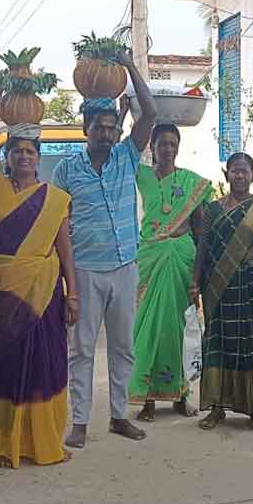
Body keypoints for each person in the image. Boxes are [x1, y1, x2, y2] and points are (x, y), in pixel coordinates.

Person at [0, 88, 80, 468]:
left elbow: (65, 252)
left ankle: (44, 442)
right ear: (7, 158)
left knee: (47, 363)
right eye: (17, 152)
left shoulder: (56, 199)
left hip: (45, 292)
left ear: (38, 159)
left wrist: (73, 294)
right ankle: (2, 442)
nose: (24, 157)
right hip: (5, 296)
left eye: (30, 152)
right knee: (7, 367)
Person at [52, 54, 157, 450]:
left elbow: (151, 112)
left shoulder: (126, 157)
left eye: (113, 127)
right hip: (86, 270)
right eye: (100, 127)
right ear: (86, 128)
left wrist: (129, 66)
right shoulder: (67, 169)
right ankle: (79, 421)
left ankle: (117, 416)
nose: (107, 134)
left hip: (125, 267)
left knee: (122, 346)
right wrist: (68, 281)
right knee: (80, 349)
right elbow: (59, 222)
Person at [192, 152, 253, 431]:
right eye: (234, 171)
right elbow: (203, 248)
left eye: (244, 171)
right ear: (227, 174)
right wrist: (194, 283)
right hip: (217, 288)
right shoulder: (213, 210)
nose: (239, 175)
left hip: (252, 286)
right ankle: (216, 408)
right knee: (217, 344)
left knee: (252, 344)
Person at [129, 124, 214, 421]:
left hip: (181, 258)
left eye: (172, 143)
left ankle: (181, 394)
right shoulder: (138, 176)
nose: (167, 148)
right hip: (150, 257)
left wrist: (199, 273)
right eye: (162, 143)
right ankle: (148, 399)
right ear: (152, 146)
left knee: (181, 328)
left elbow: (201, 229)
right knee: (147, 326)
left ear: (178, 147)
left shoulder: (191, 182)